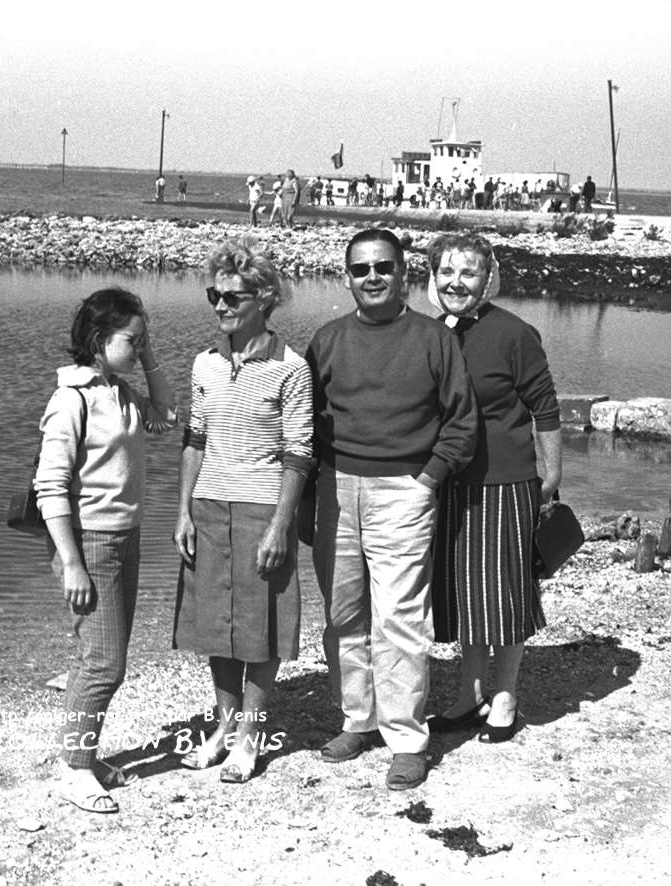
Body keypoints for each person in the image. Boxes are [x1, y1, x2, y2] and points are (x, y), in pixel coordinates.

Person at [306, 228, 477, 791]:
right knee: (343, 615)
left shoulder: (434, 339)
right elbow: (303, 424)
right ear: (347, 277)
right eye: (361, 270)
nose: (373, 277)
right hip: (336, 490)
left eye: (384, 267)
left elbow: (461, 422)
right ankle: (359, 720)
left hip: (404, 491)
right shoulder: (328, 339)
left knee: (399, 618)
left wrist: (427, 480)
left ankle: (406, 738)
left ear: (405, 274)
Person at [173, 237, 313, 783]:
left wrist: (282, 523)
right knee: (217, 628)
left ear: (265, 298)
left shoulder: (291, 368)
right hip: (208, 507)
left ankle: (250, 737)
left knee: (260, 630)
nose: (221, 306)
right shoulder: (204, 364)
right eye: (215, 295)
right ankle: (223, 730)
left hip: (262, 507)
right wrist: (182, 511)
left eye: (233, 297)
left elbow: (300, 453)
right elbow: (194, 440)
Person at [35, 287, 177, 813]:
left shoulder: (117, 391)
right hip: (91, 544)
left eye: (143, 341)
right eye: (131, 340)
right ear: (98, 340)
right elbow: (51, 486)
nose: (139, 349)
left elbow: (165, 417)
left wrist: (149, 359)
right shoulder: (71, 399)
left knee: (97, 657)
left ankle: (83, 756)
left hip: (125, 536)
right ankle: (74, 768)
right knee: (103, 663)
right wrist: (71, 561)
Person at [424, 233, 562, 743]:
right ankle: (468, 695)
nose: (457, 283)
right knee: (462, 595)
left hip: (505, 481)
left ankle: (504, 697)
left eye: (469, 273)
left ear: (489, 278)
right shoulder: (431, 332)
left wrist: (551, 474)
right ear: (434, 278)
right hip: (449, 483)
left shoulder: (514, 333)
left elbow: (545, 408)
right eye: (447, 273)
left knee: (502, 594)